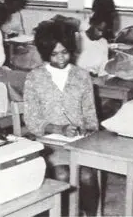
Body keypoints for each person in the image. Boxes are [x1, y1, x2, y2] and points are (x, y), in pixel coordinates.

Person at [23, 20, 99, 216]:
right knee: (62, 174)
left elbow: (90, 114)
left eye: (65, 52)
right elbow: (31, 121)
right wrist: (59, 129)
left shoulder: (82, 76)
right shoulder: (34, 77)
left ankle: (87, 213)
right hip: (48, 145)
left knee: (88, 176)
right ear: (45, 52)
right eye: (54, 54)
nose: (60, 58)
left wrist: (88, 130)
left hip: (79, 145)